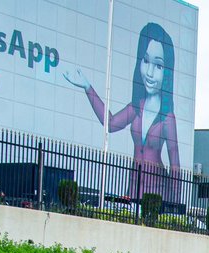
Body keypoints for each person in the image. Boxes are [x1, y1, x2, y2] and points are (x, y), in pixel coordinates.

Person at [65, 23, 180, 199]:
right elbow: (110, 124)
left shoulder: (167, 118)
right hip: (133, 188)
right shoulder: (136, 107)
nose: (149, 72)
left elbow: (175, 166)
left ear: (167, 72)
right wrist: (88, 87)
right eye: (146, 60)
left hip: (157, 191)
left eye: (158, 66)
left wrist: (175, 204)